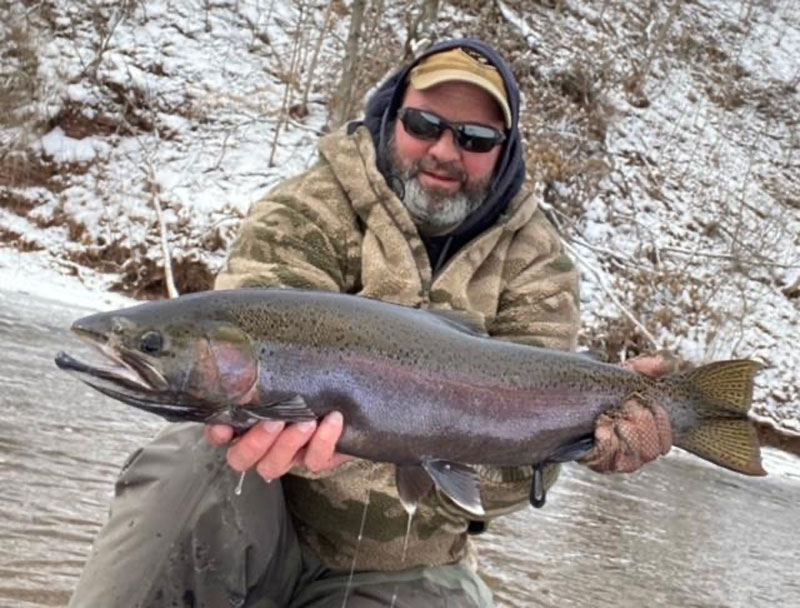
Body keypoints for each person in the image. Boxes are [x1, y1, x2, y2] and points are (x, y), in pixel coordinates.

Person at [68, 39, 672, 608]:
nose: (444, 150)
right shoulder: (306, 210)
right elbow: (241, 378)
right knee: (192, 458)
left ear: (504, 153)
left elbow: (505, 487)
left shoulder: (538, 265)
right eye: (423, 124)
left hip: (409, 559)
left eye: (476, 137)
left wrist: (587, 441)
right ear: (391, 118)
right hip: (264, 511)